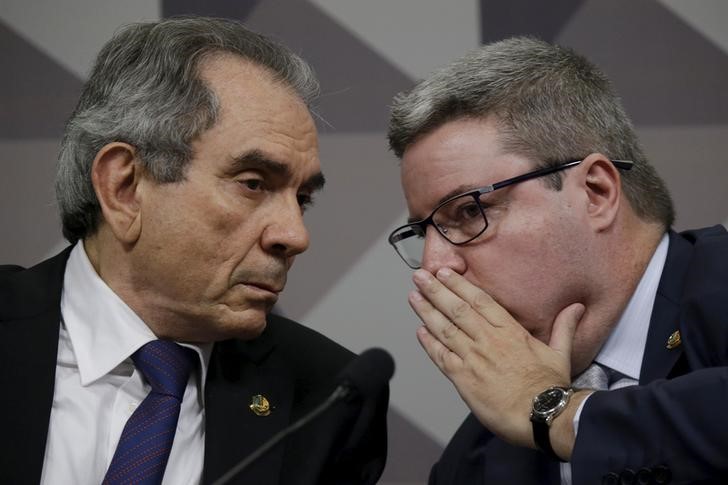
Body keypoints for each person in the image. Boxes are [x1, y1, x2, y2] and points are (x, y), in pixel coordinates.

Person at [0, 17, 387, 485]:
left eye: (302, 199)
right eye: (253, 184)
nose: (295, 235)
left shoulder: (328, 395)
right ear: (125, 187)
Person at [387, 36, 727, 484]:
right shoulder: (478, 457)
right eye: (423, 231)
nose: (436, 266)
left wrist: (557, 413)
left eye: (470, 211)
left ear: (596, 192)